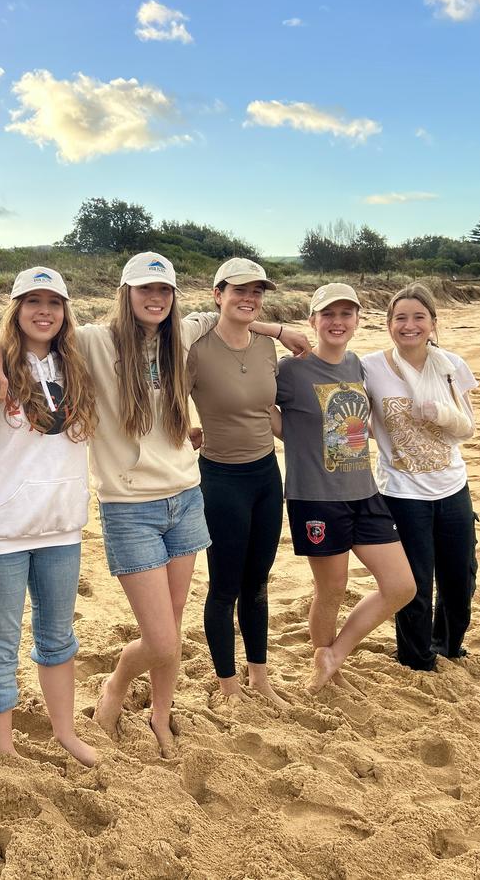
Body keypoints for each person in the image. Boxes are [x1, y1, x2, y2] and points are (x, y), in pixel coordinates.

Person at [0, 252, 309, 756]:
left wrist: (279, 329)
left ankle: (160, 711)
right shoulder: (96, 340)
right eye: (144, 290)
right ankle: (116, 685)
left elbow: (227, 315)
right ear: (126, 293)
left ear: (173, 296)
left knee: (170, 626)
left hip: (186, 497)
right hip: (130, 507)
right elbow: (27, 331)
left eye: (163, 291)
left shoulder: (183, 335)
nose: (155, 299)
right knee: (161, 640)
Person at [0, 267, 98, 766]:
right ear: (16, 309)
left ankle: (65, 733)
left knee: (58, 638)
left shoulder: (78, 364)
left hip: (62, 527)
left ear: (65, 311)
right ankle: (1, 751)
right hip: (4, 528)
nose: (44, 311)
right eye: (32, 301)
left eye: (54, 302)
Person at [273, 283, 416, 693]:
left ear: (357, 321)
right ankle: (328, 669)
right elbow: (255, 403)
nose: (337, 322)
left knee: (401, 586)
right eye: (328, 314)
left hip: (364, 492)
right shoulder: (291, 370)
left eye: (346, 314)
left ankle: (334, 655)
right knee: (332, 588)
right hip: (316, 497)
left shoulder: (358, 365)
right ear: (312, 321)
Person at [187, 258, 289, 708]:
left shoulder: (266, 346)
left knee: (258, 583)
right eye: (239, 290)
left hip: (266, 476)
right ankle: (228, 685)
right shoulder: (196, 347)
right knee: (225, 587)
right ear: (218, 295)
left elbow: (270, 413)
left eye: (256, 292)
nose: (249, 298)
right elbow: (166, 402)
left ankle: (259, 678)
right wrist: (184, 431)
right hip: (221, 479)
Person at [361, 284, 478, 671]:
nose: (409, 325)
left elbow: (467, 426)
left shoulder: (451, 366)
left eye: (418, 317)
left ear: (432, 323)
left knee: (460, 579)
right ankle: (416, 658)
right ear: (389, 324)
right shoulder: (371, 368)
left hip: (452, 487)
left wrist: (441, 414)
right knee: (415, 582)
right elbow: (348, 412)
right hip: (402, 492)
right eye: (400, 318)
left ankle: (448, 645)